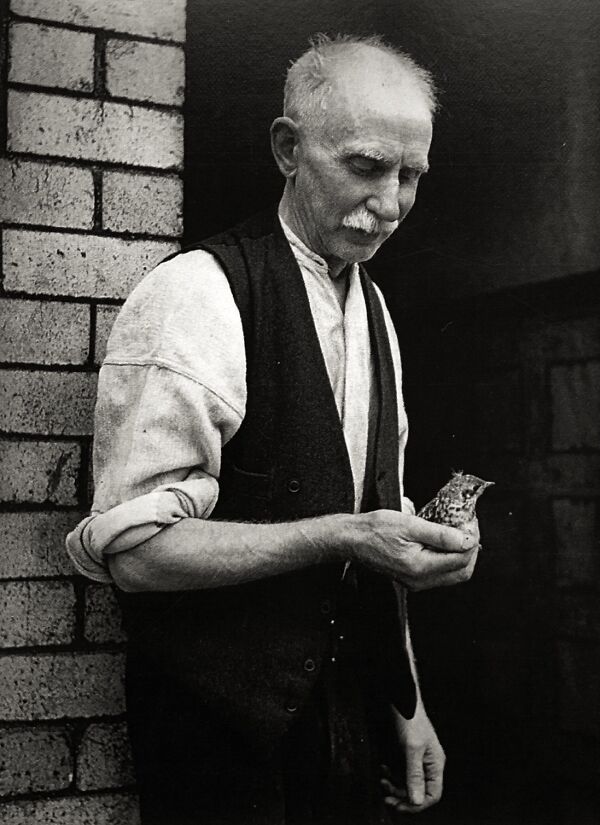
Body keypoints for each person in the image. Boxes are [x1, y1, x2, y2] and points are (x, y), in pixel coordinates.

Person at [67, 33, 480, 825]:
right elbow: (136, 556)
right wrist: (344, 534)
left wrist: (408, 704)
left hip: (346, 723)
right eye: (364, 166)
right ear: (288, 149)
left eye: (412, 176)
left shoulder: (378, 314)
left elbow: (372, 524)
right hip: (220, 739)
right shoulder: (197, 295)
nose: (390, 203)